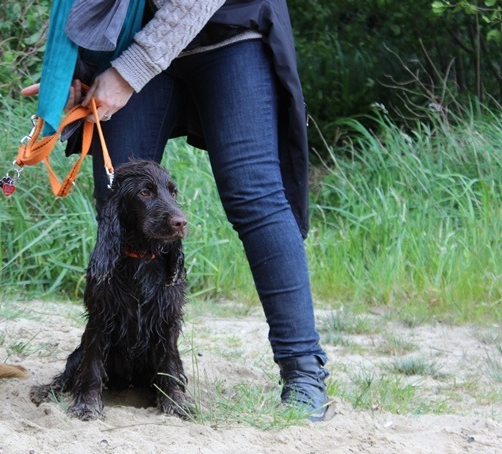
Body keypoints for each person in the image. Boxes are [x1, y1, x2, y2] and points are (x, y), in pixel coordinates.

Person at [23, 0, 331, 421]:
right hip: (136, 34)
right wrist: (75, 70)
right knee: (119, 197)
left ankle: (303, 371)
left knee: (254, 197)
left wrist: (126, 74)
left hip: (229, 32)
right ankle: (115, 359)